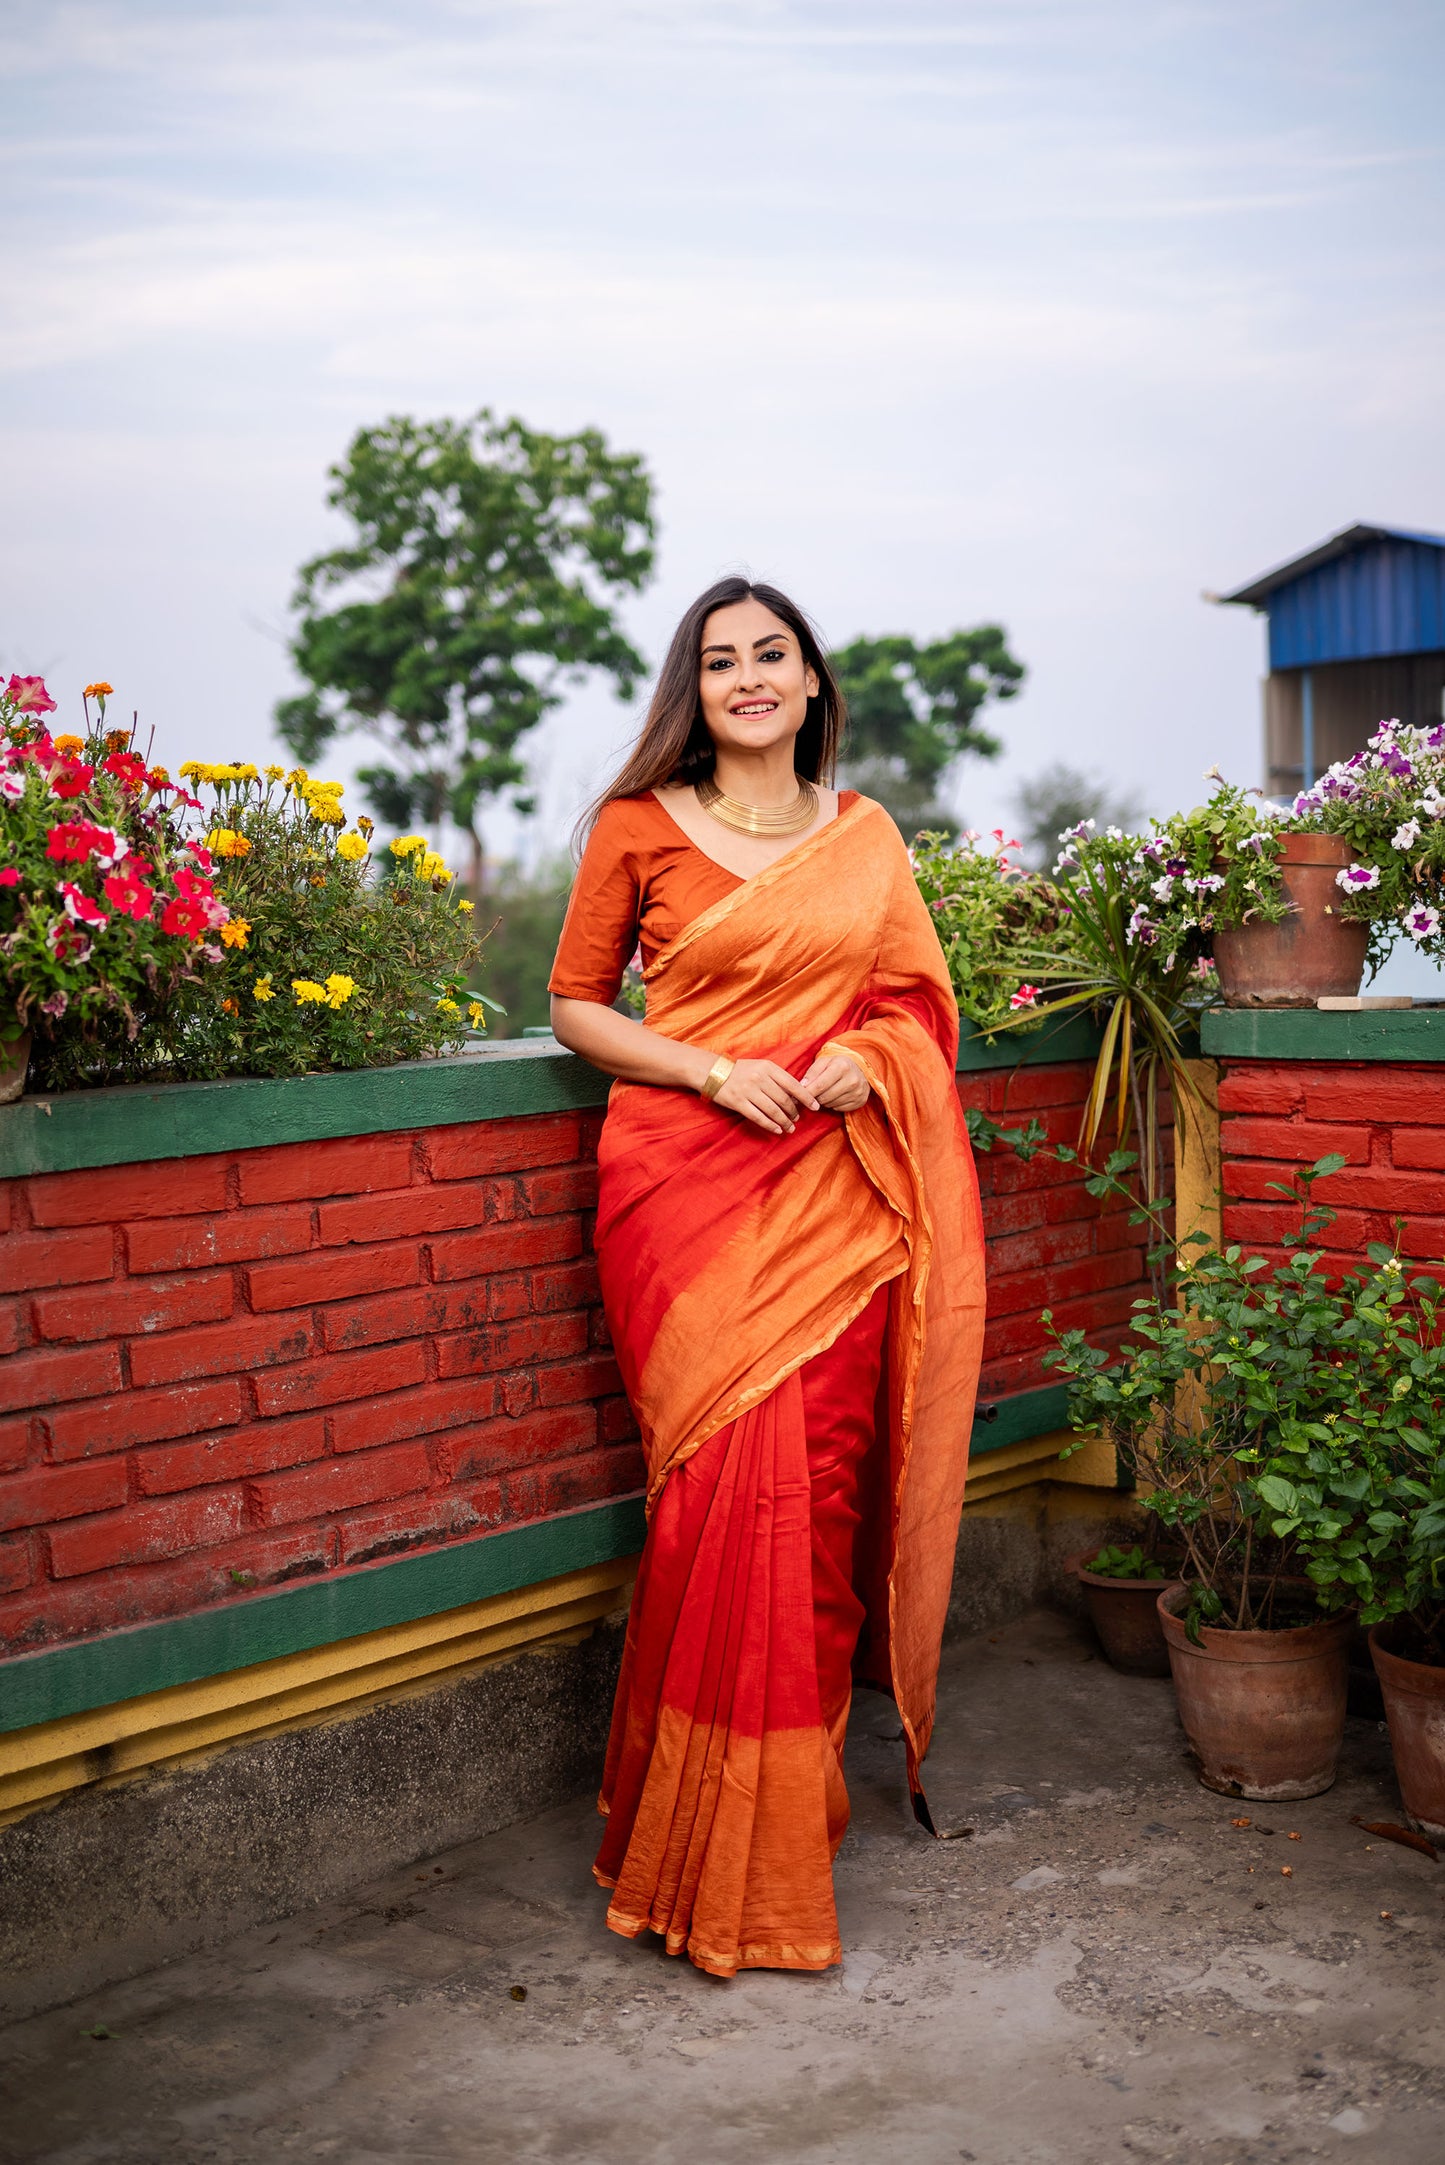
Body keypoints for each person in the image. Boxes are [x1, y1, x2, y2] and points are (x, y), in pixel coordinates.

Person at [548, 575, 986, 1979]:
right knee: (711, 1514)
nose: (746, 677)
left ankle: (778, 1837)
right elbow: (573, 1003)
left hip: (835, 1201)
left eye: (770, 655)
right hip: (683, 1191)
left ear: (808, 684)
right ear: (697, 688)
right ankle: (687, 1840)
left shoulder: (863, 838)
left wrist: (874, 1054)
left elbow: (916, 1001)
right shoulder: (634, 828)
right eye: (719, 659)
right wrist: (710, 1069)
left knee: (816, 1510)